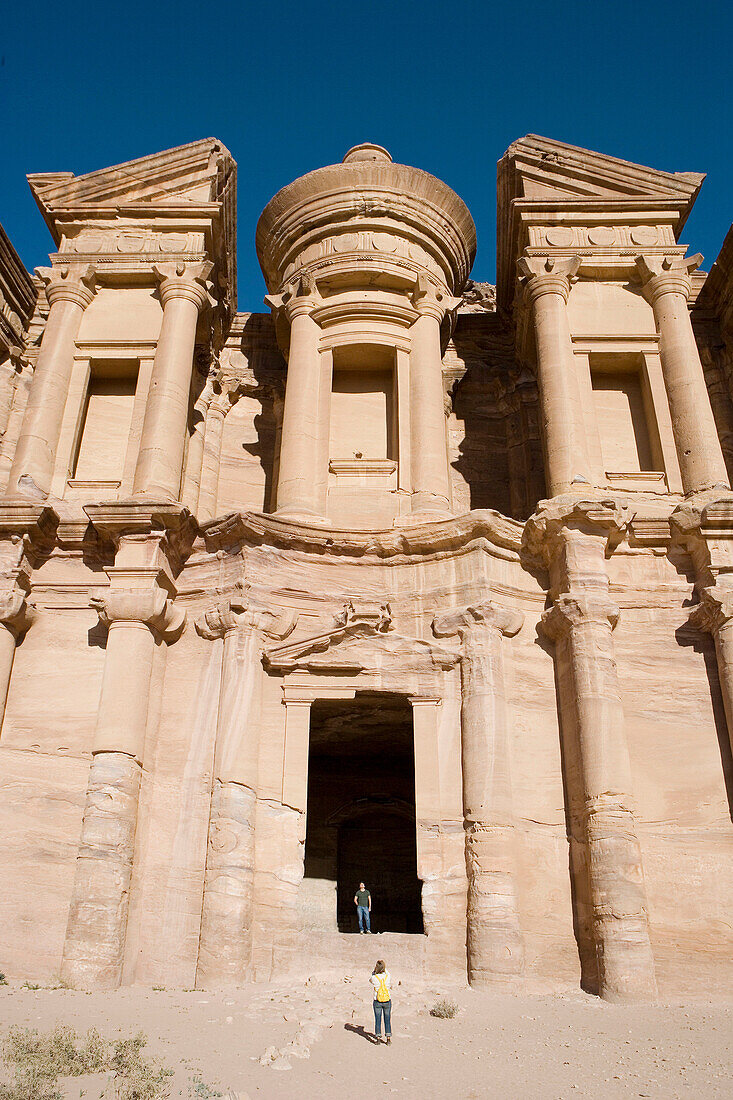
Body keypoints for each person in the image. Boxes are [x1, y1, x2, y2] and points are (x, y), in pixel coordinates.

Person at [370, 959, 392, 1044]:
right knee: (387, 1019)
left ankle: (378, 1038)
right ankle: (388, 1039)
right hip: (387, 1000)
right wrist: (383, 967)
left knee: (378, 1019)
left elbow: (370, 979)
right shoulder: (388, 977)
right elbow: (387, 972)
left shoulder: (374, 978)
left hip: (377, 1001)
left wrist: (374, 971)